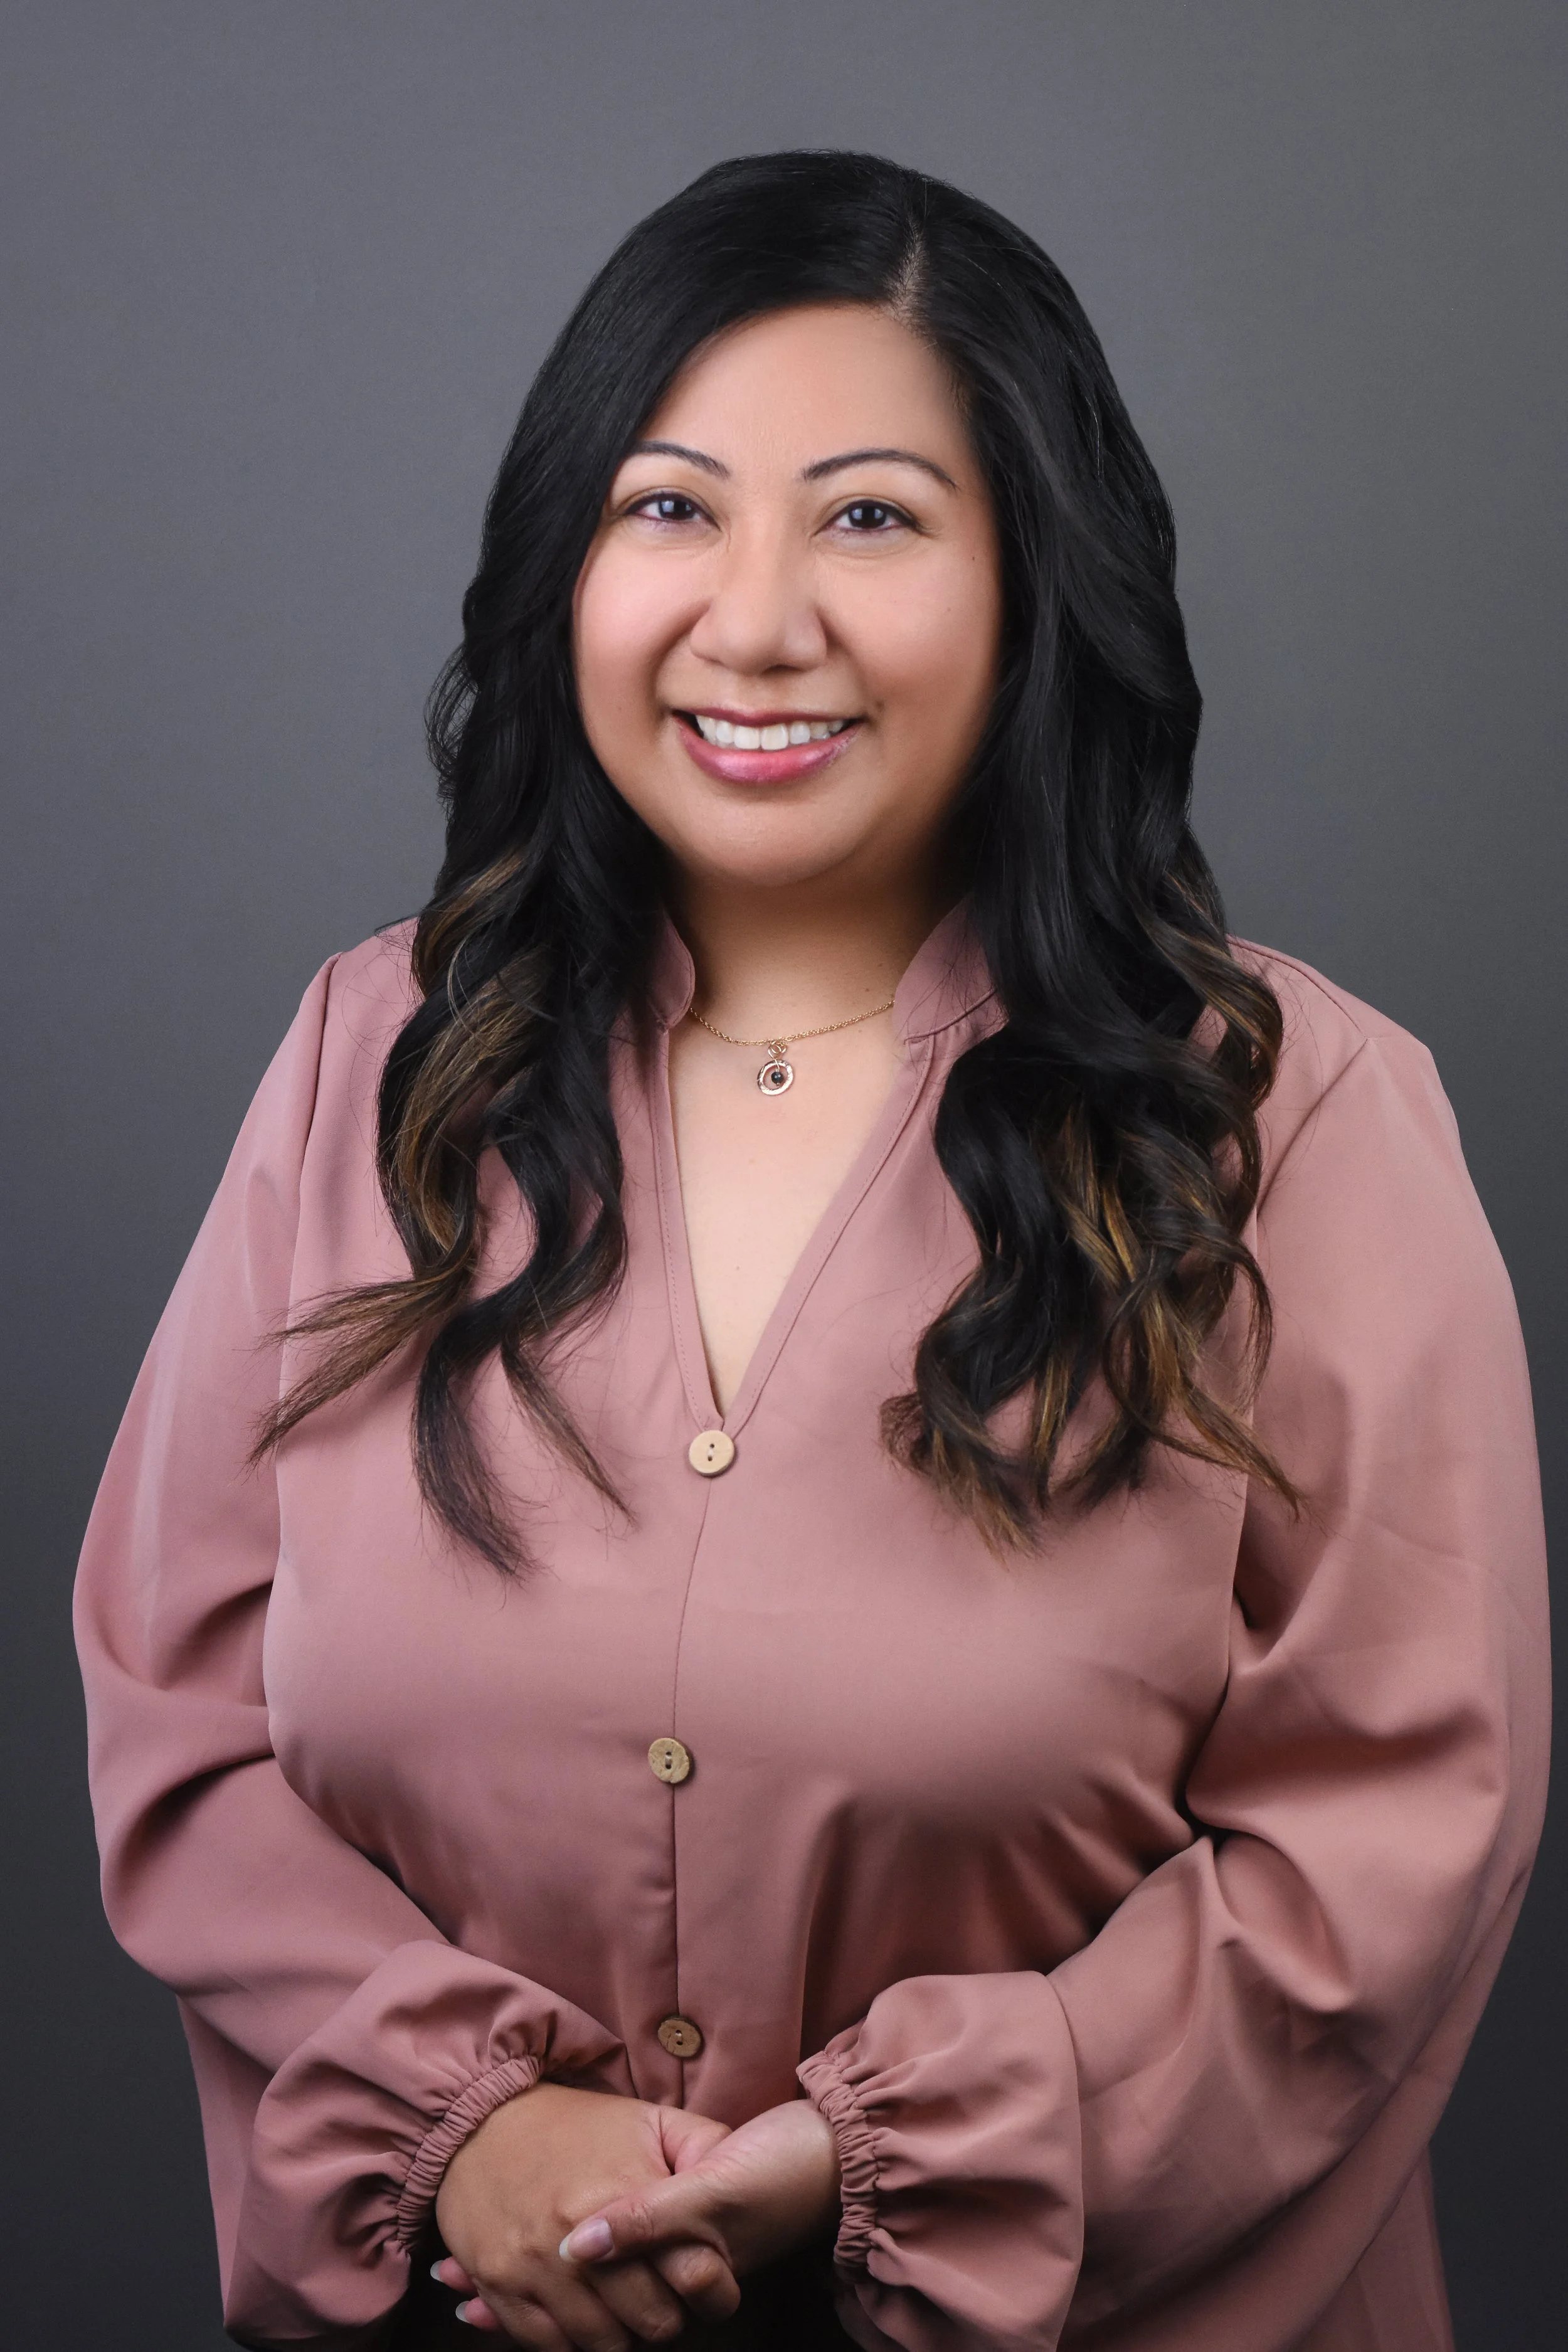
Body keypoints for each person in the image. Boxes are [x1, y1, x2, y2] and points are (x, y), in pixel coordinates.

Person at [75, 151, 1547, 2352]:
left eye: (869, 516)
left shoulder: (1295, 1118)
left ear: (1035, 580)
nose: (753, 620)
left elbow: (1387, 1835)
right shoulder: (367, 1062)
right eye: (667, 508)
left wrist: (884, 2172)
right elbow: (176, 1718)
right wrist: (466, 2125)